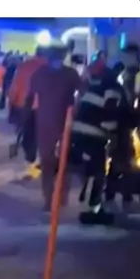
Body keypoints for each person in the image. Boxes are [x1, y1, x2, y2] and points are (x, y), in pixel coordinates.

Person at [25, 41, 80, 211]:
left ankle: (51, 199)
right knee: (61, 162)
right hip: (61, 123)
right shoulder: (69, 74)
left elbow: (29, 97)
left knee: (51, 162)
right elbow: (82, 93)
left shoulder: (41, 73)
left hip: (50, 123)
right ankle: (56, 198)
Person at [70, 54, 123, 225]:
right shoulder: (113, 88)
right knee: (97, 173)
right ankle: (90, 211)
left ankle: (90, 207)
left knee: (91, 172)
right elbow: (109, 114)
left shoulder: (95, 86)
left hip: (80, 133)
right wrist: (114, 133)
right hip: (92, 136)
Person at [104, 59, 139, 211]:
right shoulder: (118, 89)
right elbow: (123, 110)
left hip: (119, 130)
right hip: (120, 131)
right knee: (124, 162)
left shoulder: (118, 87)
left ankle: (113, 193)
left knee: (119, 162)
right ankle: (123, 194)